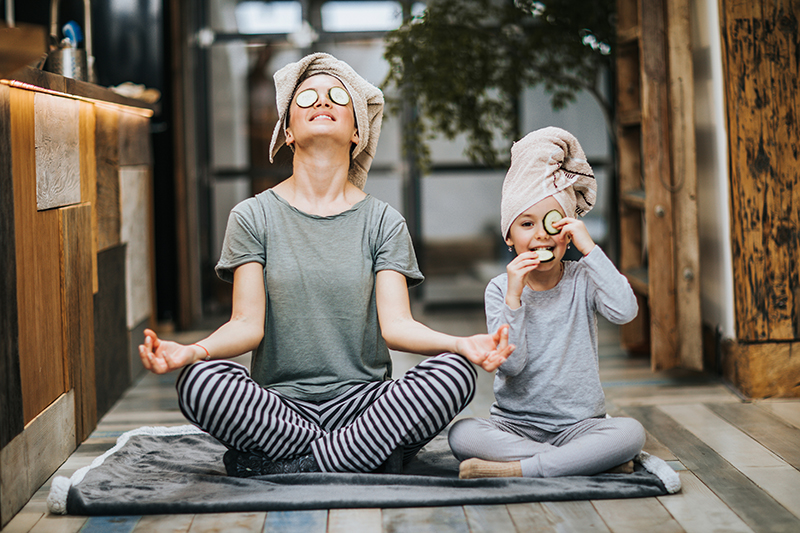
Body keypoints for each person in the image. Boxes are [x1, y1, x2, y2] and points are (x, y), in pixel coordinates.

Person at [138, 53, 513, 477]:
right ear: (288, 132)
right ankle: (360, 455)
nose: (322, 102)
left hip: (365, 405)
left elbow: (397, 327)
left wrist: (461, 344)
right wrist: (192, 351)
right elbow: (246, 324)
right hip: (278, 409)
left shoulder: (383, 221)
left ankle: (294, 463)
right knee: (197, 382)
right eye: (307, 98)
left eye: (338, 97)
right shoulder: (252, 216)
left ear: (357, 131)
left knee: (455, 373)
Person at [448, 126, 646, 479]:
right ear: (510, 237)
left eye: (551, 223)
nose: (540, 233)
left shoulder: (583, 277)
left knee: (630, 432)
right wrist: (514, 296)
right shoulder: (499, 289)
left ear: (567, 231)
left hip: (580, 425)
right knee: (462, 433)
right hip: (516, 426)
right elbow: (511, 365)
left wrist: (591, 250)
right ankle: (581, 461)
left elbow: (626, 310)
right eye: (526, 224)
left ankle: (522, 468)